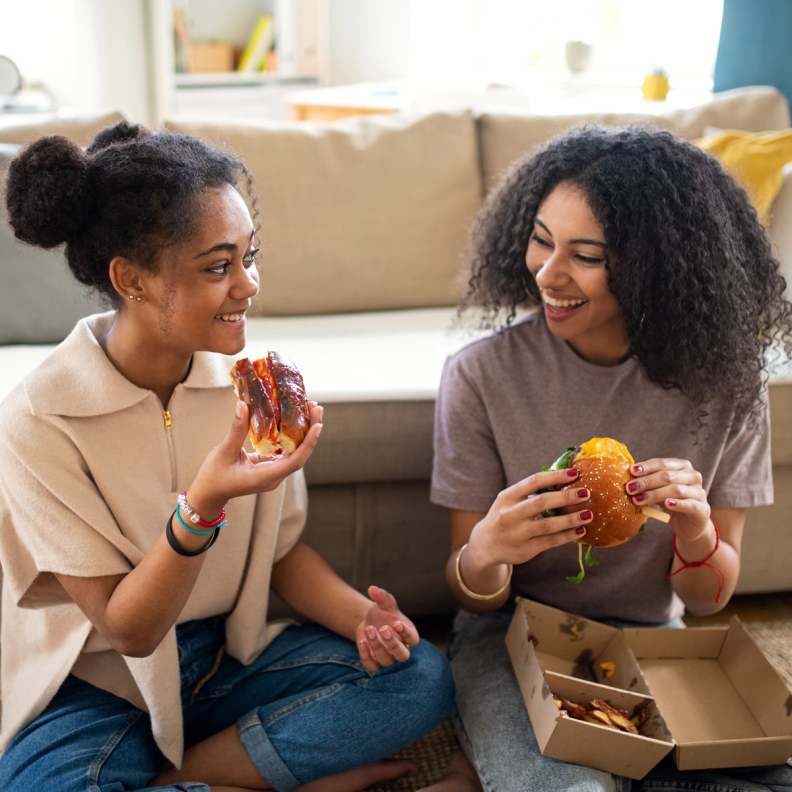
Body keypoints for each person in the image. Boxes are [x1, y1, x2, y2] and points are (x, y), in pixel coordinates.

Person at [0, 122, 454, 792]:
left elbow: (278, 554)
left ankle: (195, 778)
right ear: (132, 280)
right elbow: (127, 630)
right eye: (218, 266)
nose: (248, 284)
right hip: (96, 689)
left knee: (421, 679)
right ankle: (279, 777)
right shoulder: (39, 420)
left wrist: (369, 622)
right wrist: (202, 505)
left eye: (249, 256)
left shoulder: (253, 387)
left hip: (220, 663)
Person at [429, 125, 792, 792]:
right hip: (511, 636)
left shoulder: (729, 384)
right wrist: (486, 550)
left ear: (656, 264)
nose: (547, 272)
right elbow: (470, 594)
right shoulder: (480, 376)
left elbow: (706, 600)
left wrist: (695, 530)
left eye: (585, 255)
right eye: (541, 239)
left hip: (653, 637)